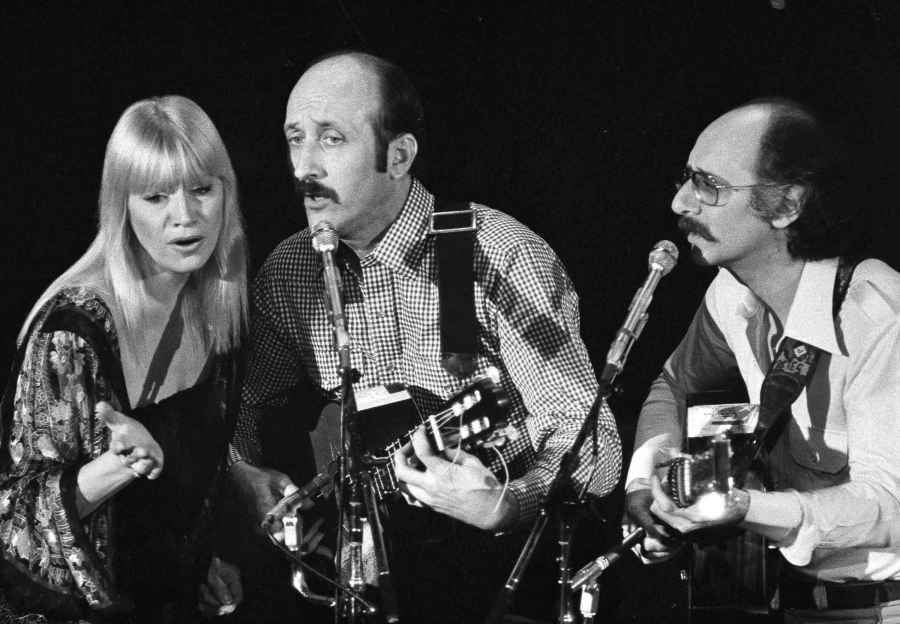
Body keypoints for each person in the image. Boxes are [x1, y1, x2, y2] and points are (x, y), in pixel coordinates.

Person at [228, 50, 622, 623]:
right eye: (295, 139)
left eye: (331, 139)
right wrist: (248, 475)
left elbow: (595, 443)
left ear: (400, 155)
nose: (303, 167)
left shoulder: (496, 256)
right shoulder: (291, 271)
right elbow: (246, 410)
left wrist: (509, 502)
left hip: (489, 588)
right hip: (362, 586)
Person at [624, 97, 900, 623]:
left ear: (787, 204)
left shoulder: (880, 314)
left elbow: (891, 508)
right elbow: (671, 385)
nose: (682, 202)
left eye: (709, 185)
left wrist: (746, 509)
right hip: (787, 602)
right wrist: (646, 483)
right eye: (686, 178)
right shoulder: (729, 295)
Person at [0, 95, 249, 623]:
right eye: (156, 197)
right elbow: (15, 526)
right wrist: (119, 466)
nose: (185, 217)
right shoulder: (73, 331)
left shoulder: (217, 305)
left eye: (202, 190)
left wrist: (198, 563)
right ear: (123, 206)